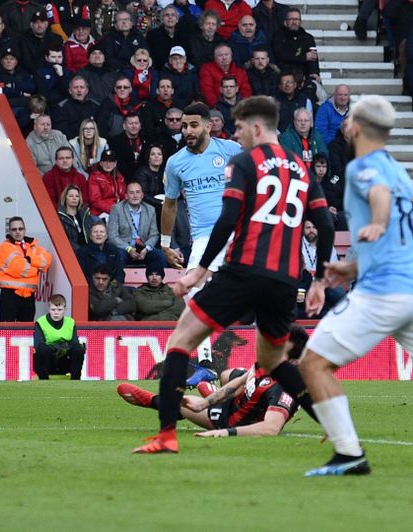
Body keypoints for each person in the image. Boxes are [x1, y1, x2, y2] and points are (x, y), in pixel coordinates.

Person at [132, 96, 334, 454]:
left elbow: (227, 220)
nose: (235, 134)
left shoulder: (243, 161)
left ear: (256, 127)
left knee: (180, 340)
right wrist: (317, 279)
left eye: (239, 127)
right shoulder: (301, 166)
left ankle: (166, 434)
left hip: (244, 268)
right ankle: (336, 427)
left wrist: (200, 270)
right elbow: (325, 225)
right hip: (285, 278)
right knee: (273, 361)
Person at [297, 95, 413, 476]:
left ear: (356, 128)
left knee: (313, 363)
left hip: (382, 294)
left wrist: (376, 221)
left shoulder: (363, 167)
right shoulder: (401, 173)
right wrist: (351, 266)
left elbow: (378, 197)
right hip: (407, 287)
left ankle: (349, 454)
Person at [119, 324, 308, 436]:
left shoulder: (286, 388)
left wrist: (225, 432)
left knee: (180, 403)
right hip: (236, 403)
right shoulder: (270, 361)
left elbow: (271, 428)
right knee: (227, 375)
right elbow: (241, 380)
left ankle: (154, 401)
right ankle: (212, 398)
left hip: (232, 422)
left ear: (292, 360)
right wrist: (206, 402)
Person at [159, 102, 241, 278]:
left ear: (208, 126)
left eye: (194, 125)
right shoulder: (175, 163)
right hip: (203, 237)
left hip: (238, 232)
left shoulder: (230, 150)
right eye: (185, 126)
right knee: (195, 294)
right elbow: (170, 204)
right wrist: (165, 244)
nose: (188, 131)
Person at [0, 216, 52, 322]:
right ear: (10, 231)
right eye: (14, 229)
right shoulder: (5, 247)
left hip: (29, 296)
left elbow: (46, 261)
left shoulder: (32, 245)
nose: (18, 232)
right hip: (9, 295)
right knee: (6, 331)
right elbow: (19, 268)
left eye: (20, 229)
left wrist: (29, 259)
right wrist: (36, 268)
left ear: (24, 230)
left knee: (26, 333)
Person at [107, 181, 166, 270]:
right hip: (124, 248)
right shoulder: (116, 209)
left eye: (138, 192)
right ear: (126, 196)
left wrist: (146, 249)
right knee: (118, 256)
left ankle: (156, 282)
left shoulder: (150, 210)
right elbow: (112, 236)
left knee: (160, 256)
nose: (135, 196)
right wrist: (129, 249)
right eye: (131, 193)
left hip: (143, 249)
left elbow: (154, 234)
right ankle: (117, 283)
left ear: (142, 195)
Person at [33, 294, 86, 380]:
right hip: (48, 360)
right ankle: (44, 379)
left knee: (78, 348)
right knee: (42, 349)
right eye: (53, 309)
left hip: (64, 360)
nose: (56, 313)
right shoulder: (41, 322)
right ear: (49, 309)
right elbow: (38, 345)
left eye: (59, 310)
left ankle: (75, 379)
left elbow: (74, 342)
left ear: (65, 309)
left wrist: (64, 347)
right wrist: (57, 347)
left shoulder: (70, 322)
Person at [77, 220, 125, 287]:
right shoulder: (82, 252)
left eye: (102, 232)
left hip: (111, 289)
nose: (99, 234)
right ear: (90, 236)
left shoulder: (114, 251)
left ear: (106, 236)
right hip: (91, 290)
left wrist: (111, 286)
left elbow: (119, 274)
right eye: (95, 232)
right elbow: (81, 276)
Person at [57, 184, 90, 252]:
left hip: (89, 251)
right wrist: (81, 251)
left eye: (77, 196)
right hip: (73, 253)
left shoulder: (85, 214)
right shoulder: (60, 217)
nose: (74, 198)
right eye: (71, 196)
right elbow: (65, 240)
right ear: (65, 198)